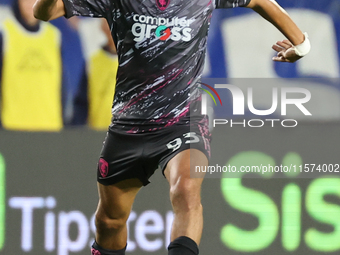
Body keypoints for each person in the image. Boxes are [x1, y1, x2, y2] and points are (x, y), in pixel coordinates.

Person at [33, 0, 311, 254]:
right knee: (109, 221)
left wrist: (301, 44)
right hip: (130, 125)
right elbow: (43, 12)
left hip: (184, 117)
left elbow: (259, 1)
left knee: (186, 191)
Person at [0, 0, 85, 131]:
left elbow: (62, 86)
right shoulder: (5, 34)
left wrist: (62, 123)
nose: (30, 3)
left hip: (50, 128)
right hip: (13, 129)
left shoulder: (54, 36)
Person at [72, 18, 119, 130]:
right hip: (98, 135)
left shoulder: (137, 62)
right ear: (101, 27)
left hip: (128, 137)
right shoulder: (93, 63)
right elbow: (82, 104)